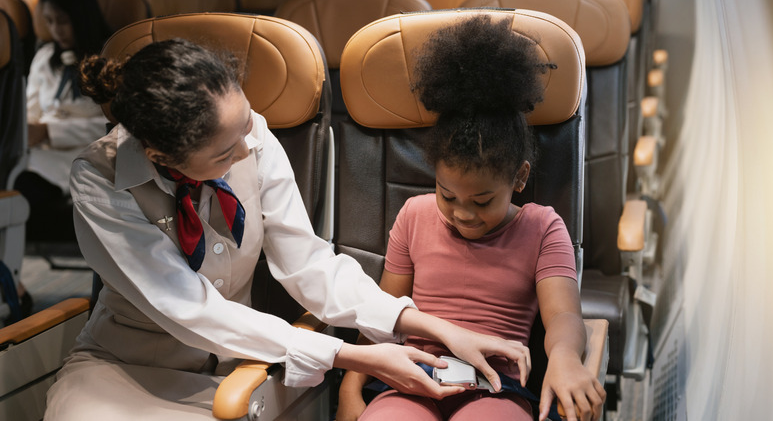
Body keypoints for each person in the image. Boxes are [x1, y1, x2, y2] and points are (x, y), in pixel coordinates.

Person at [43, 37, 533, 420]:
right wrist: (356, 359)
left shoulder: (248, 132)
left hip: (239, 368)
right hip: (122, 371)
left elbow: (309, 265)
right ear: (161, 156)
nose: (246, 150)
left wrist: (432, 327)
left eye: (246, 128)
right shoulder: (99, 180)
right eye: (223, 153)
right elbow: (190, 309)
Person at [335, 16, 606, 421]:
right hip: (413, 374)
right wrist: (351, 384)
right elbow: (385, 313)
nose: (463, 213)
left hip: (494, 387)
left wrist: (565, 357)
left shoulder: (542, 227)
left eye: (482, 201)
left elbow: (564, 315)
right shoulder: (414, 215)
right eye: (447, 195)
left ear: (520, 177)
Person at [10, 0, 111, 319]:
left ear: (81, 17)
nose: (56, 30)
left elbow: (108, 124)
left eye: (63, 21)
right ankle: (12, 288)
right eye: (50, 21)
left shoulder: (107, 56)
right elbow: (31, 112)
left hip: (94, 158)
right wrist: (34, 130)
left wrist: (52, 130)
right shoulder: (44, 57)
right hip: (42, 162)